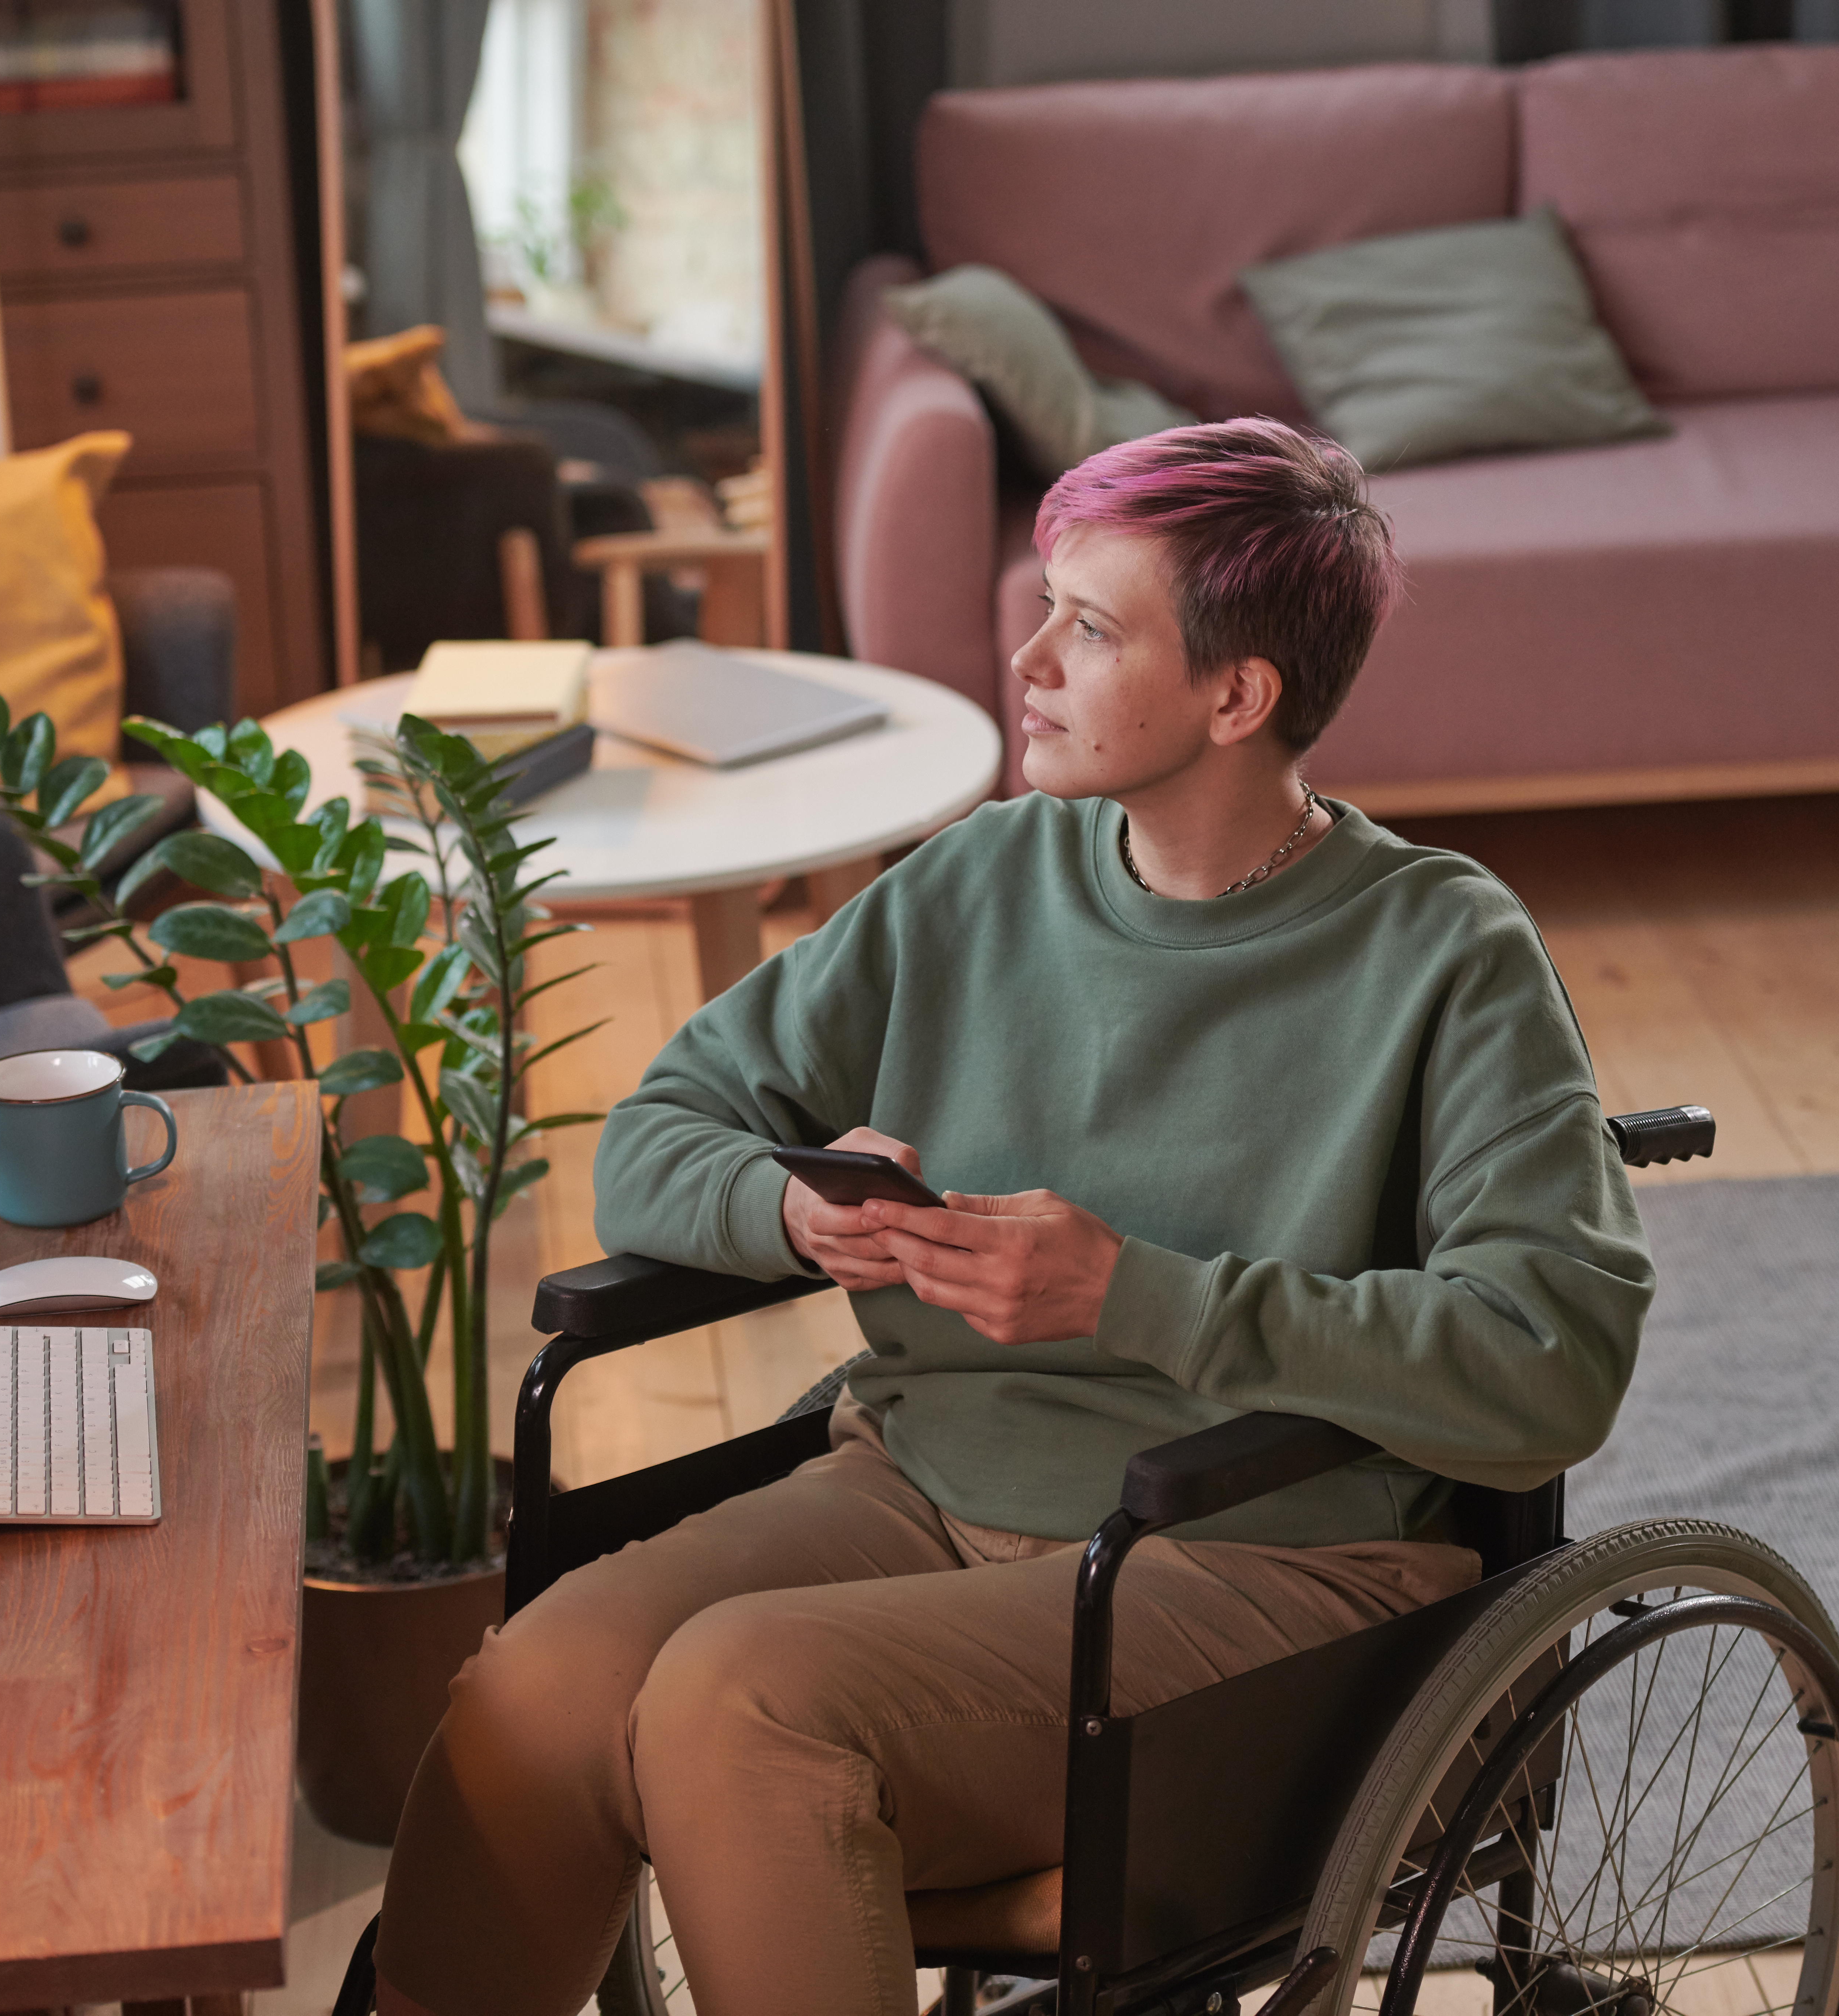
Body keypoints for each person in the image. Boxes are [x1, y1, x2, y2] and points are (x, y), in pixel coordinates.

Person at [370, 418, 1654, 2016]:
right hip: (925, 1480)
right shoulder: (974, 884)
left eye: (1092, 625)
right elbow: (653, 1135)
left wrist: (1141, 1295)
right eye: (1042, 602)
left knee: (738, 1702)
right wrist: (787, 1207)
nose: (1028, 656)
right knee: (535, 1693)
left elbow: (1555, 1359)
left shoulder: (1443, 956)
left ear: (1238, 695)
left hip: (1261, 1556)